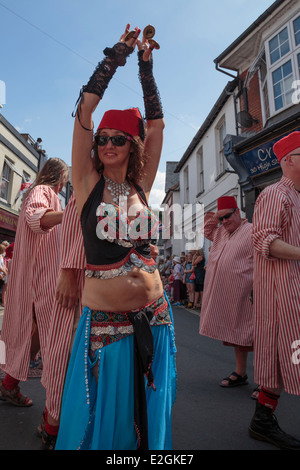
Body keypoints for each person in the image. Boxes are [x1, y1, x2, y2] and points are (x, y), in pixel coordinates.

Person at [55, 25, 176, 451]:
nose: (106, 143)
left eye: (117, 139)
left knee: (148, 419)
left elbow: (158, 126)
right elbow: (84, 114)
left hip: (156, 316)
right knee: (106, 426)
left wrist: (146, 68)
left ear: (131, 145)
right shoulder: (88, 182)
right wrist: (117, 56)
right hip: (107, 327)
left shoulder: (141, 184)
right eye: (103, 139)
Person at [0, 158, 69, 406]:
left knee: (33, 334)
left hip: (41, 276)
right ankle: (54, 413)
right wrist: (71, 213)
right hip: (40, 278)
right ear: (60, 177)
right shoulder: (43, 191)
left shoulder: (49, 194)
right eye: (65, 180)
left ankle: (9, 384)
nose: (64, 185)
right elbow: (36, 219)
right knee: (52, 337)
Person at [248, 131, 300, 450]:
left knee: (283, 360)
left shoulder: (296, 196)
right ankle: (262, 421)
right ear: (288, 160)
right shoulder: (274, 194)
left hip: (293, 291)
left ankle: (262, 421)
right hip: (280, 293)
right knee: (281, 358)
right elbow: (264, 239)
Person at [38, 193, 86, 450]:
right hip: (80, 286)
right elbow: (36, 219)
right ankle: (53, 428)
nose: (110, 149)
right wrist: (68, 271)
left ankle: (56, 424)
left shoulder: (125, 189)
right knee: (64, 355)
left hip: (112, 294)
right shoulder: (86, 188)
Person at [199, 196, 254, 389]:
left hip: (248, 294)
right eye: (221, 219)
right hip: (229, 295)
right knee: (237, 335)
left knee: (260, 338)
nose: (224, 222)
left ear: (238, 211)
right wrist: (218, 214)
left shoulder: (252, 231)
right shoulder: (221, 232)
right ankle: (241, 373)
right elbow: (206, 229)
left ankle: (267, 382)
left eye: (227, 217)